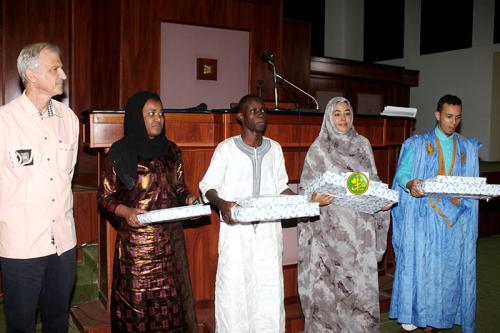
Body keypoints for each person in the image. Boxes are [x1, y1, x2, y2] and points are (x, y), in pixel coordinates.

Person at [98, 91, 198, 333]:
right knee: (138, 312)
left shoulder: (172, 151)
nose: (158, 119)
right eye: (151, 113)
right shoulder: (119, 153)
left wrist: (191, 200)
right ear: (136, 117)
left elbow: (179, 188)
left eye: (161, 114)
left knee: (172, 308)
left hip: (169, 246)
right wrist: (125, 211)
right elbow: (105, 197)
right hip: (136, 250)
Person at [0, 42, 79, 332]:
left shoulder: (69, 119)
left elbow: (66, 176)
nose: (64, 74)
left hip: (63, 243)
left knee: (58, 320)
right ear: (31, 75)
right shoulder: (4, 121)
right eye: (54, 68)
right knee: (21, 325)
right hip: (21, 247)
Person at [298, 97, 391, 332]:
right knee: (330, 294)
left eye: (347, 113)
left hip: (361, 233)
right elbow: (305, 190)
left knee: (360, 294)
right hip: (329, 236)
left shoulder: (363, 144)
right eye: (337, 113)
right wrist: (315, 199)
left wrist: (382, 201)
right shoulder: (318, 148)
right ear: (329, 117)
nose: (343, 118)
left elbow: (373, 181)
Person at [390, 95, 481, 333]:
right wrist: (410, 184)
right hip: (425, 220)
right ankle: (416, 317)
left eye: (458, 117)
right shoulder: (417, 144)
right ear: (438, 115)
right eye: (449, 116)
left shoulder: (467, 148)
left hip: (455, 222)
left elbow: (471, 184)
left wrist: (480, 194)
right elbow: (402, 174)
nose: (453, 122)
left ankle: (440, 320)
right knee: (424, 270)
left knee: (448, 273)